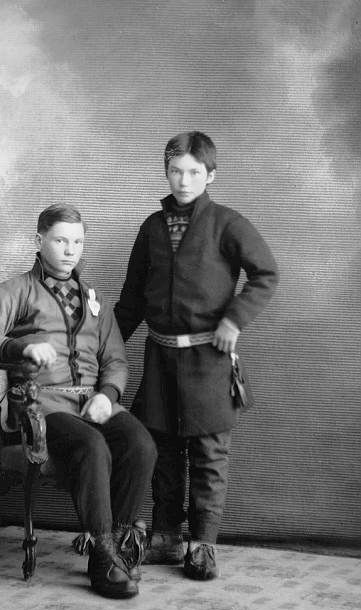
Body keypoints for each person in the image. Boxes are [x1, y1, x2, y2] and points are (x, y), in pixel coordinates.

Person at [0, 202, 157, 599]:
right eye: (61, 241)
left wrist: (108, 395)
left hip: (91, 402)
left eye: (78, 242)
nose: (70, 250)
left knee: (141, 444)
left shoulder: (94, 298)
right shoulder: (14, 291)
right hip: (41, 406)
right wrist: (20, 347)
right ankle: (103, 558)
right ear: (39, 240)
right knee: (92, 445)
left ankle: (115, 547)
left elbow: (116, 360)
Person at [114, 131, 279, 580]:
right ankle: (166, 536)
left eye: (193, 172)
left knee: (208, 455)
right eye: (175, 171)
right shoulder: (151, 227)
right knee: (162, 450)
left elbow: (266, 274)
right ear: (165, 172)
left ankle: (203, 543)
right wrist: (104, 346)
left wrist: (233, 321)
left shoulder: (228, 223)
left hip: (209, 360)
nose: (183, 180)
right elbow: (132, 298)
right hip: (160, 360)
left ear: (211, 174)